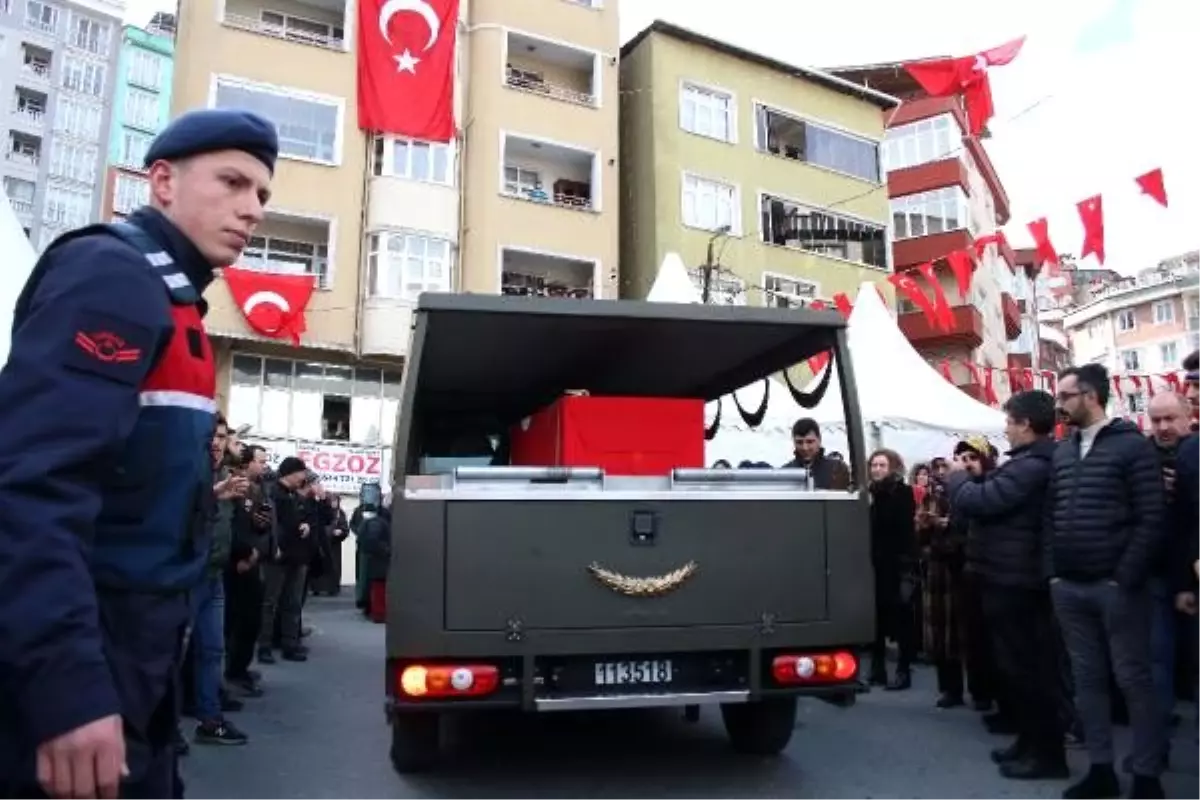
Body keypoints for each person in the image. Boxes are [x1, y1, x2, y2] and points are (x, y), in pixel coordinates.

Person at [0, 108, 277, 798]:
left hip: (141, 651)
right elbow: (33, 488)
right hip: (93, 647)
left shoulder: (172, 298)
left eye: (262, 195)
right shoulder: (112, 276)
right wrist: (68, 689)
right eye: (233, 182)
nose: (251, 210)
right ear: (161, 181)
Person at [1047, 364, 1167, 800]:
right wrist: (1053, 572)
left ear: (1092, 396)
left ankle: (1147, 777)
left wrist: (1124, 577)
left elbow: (1151, 517)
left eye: (1066, 395)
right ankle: (1101, 770)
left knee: (1133, 680)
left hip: (1116, 588)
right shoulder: (1063, 450)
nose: (1058, 404)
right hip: (1070, 586)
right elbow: (1050, 515)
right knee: (1087, 681)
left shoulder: (1133, 448)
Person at [944, 391, 1065, 780]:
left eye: (1009, 423)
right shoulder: (1028, 462)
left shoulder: (1033, 466)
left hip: (1018, 580)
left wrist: (958, 477)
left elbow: (983, 501)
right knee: (1015, 670)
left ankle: (1046, 754)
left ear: (1026, 424)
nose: (1006, 431)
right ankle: (1028, 743)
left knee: (1030, 671)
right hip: (1005, 575)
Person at [866, 448, 917, 691]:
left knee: (901, 618)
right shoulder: (872, 494)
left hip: (897, 565)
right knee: (876, 618)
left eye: (882, 465)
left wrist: (906, 566)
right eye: (874, 465)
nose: (877, 469)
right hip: (876, 564)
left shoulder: (901, 492)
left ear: (892, 467)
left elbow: (905, 531)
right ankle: (878, 669)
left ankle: (903, 671)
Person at [258, 457, 313, 664]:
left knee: (293, 602)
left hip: (297, 556)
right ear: (291, 472)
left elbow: (304, 516)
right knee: (270, 602)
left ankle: (290, 644)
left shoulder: (295, 495)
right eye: (301, 472)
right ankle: (264, 646)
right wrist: (275, 546)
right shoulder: (274, 493)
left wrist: (306, 524)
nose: (304, 476)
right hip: (278, 556)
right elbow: (272, 524)